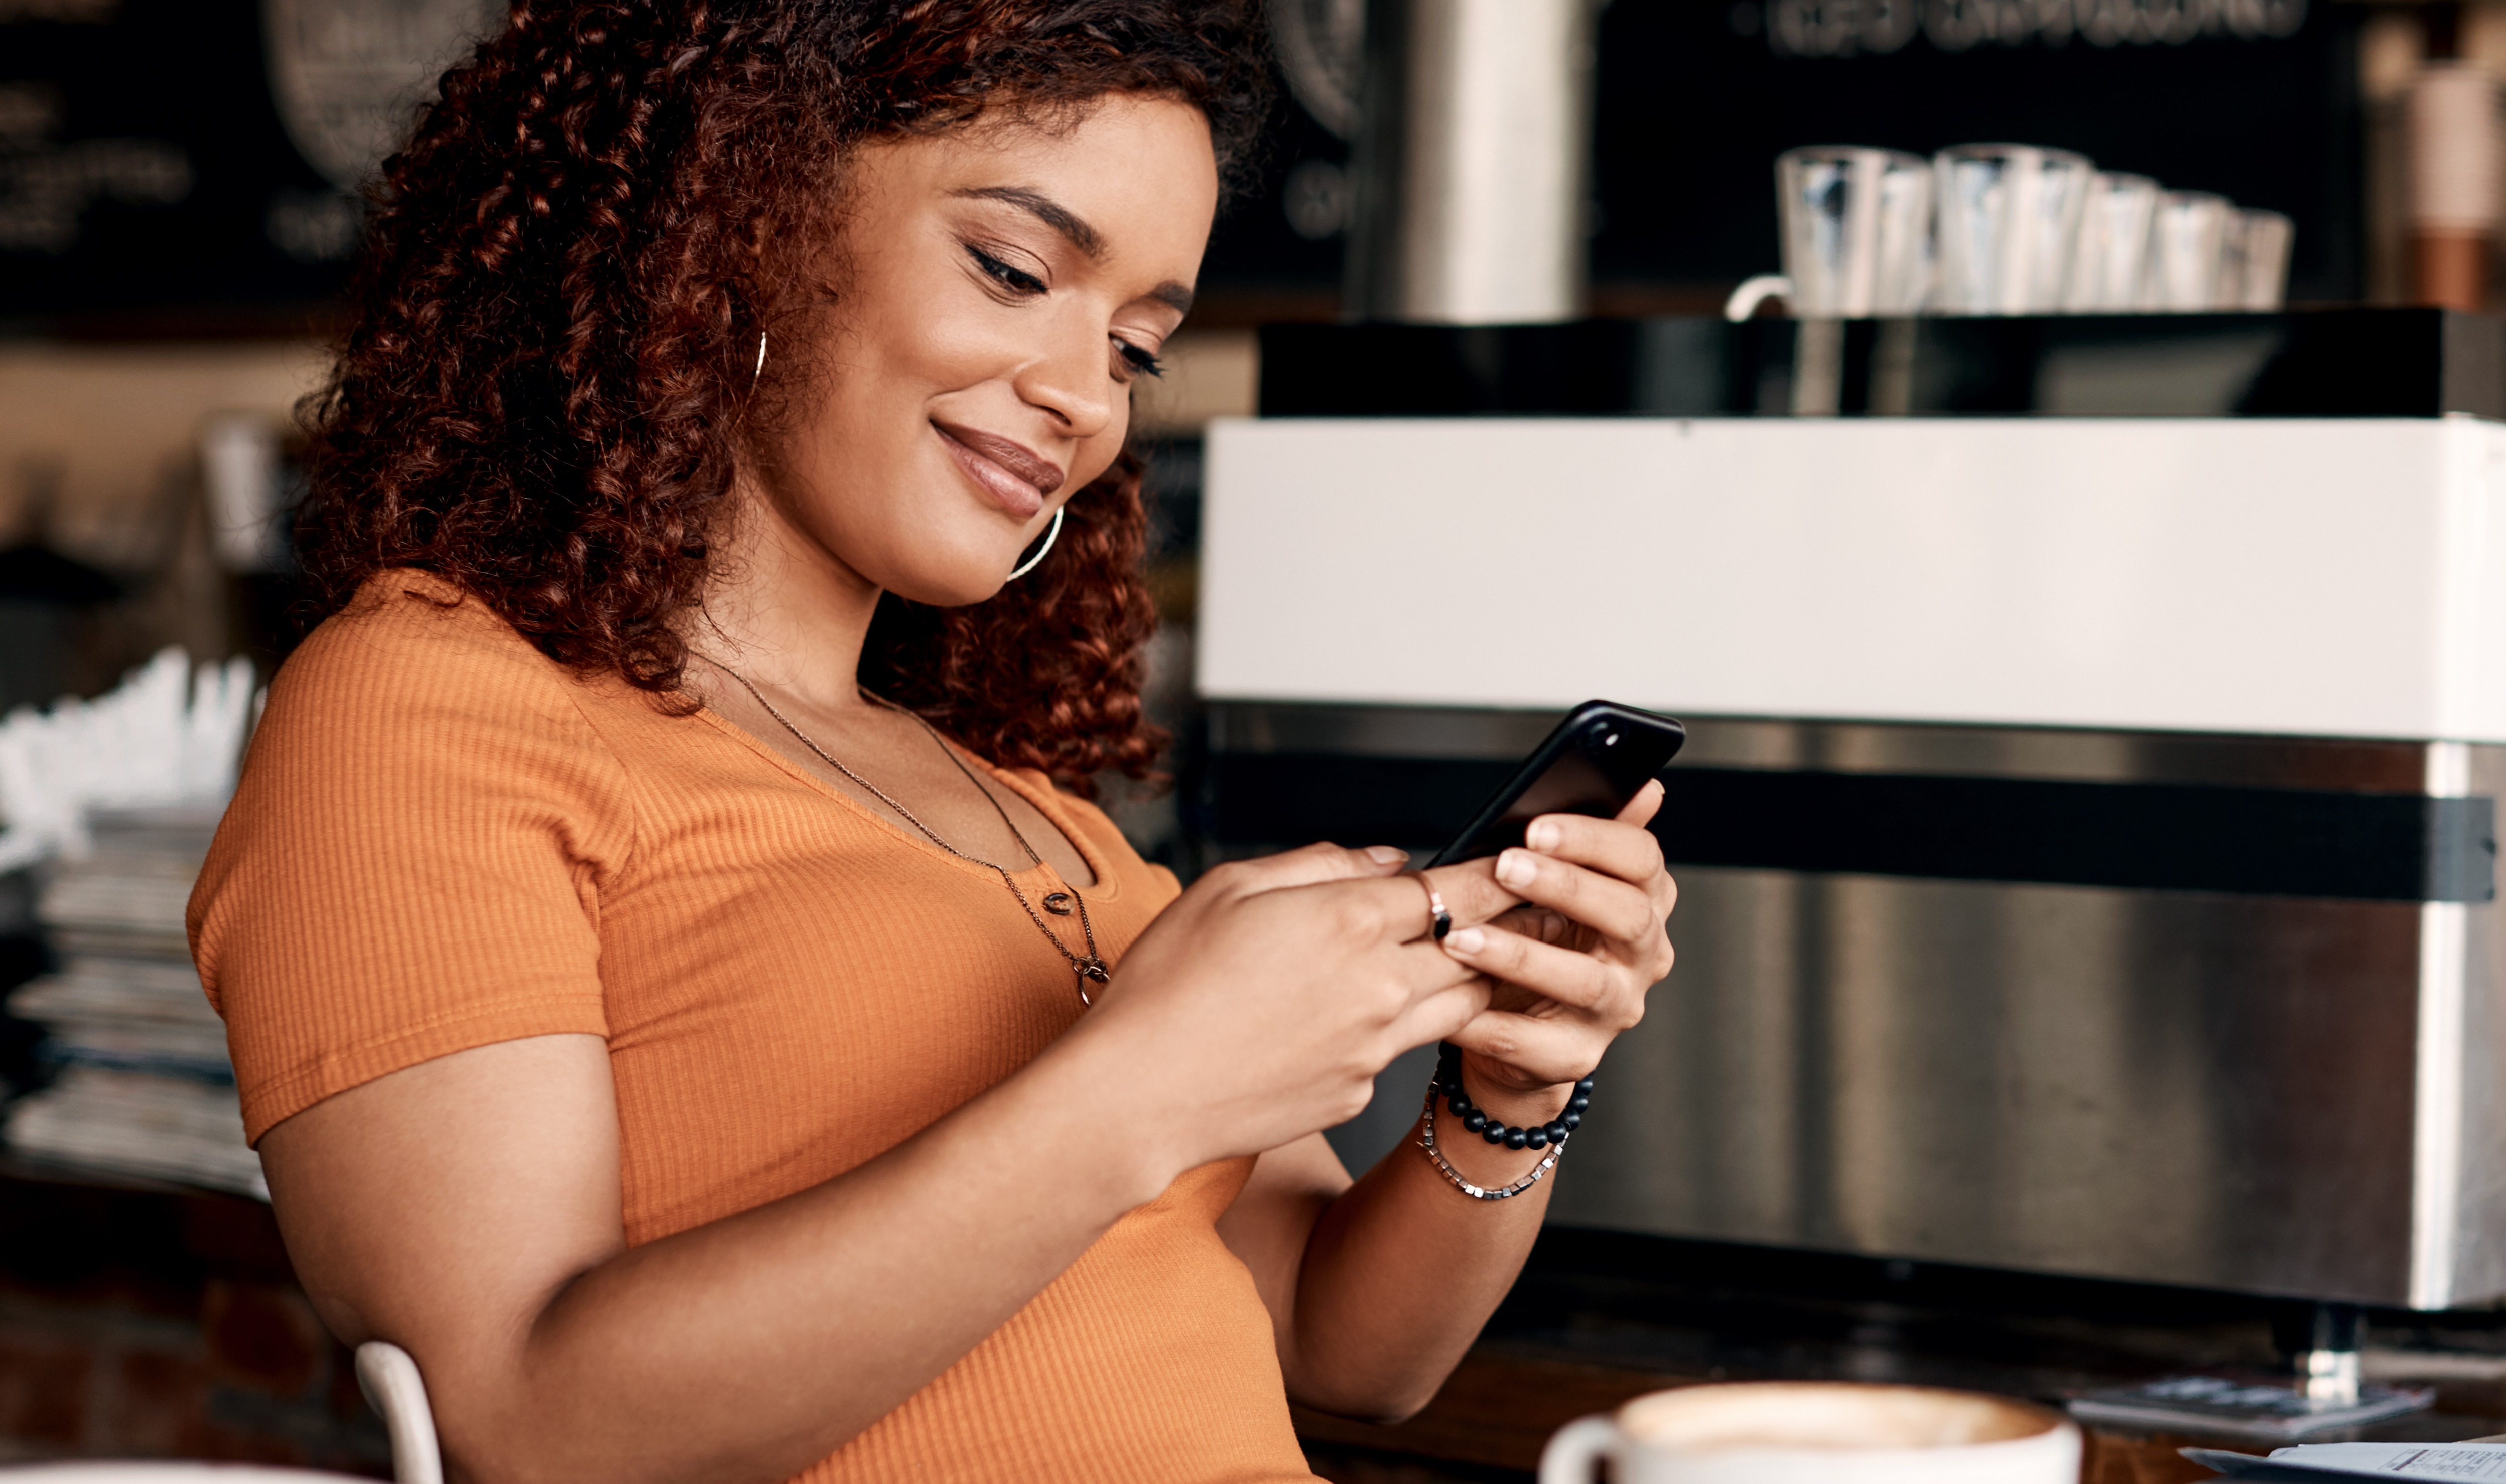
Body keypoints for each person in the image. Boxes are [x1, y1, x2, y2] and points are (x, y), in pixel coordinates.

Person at [184, 3, 1677, 1480]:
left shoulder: (1033, 809)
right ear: (735, 215)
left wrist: (1506, 1092)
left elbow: (1342, 1352)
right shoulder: (428, 701)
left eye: (1136, 348)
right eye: (1015, 271)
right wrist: (1144, 1085)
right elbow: (521, 1421)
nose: (1083, 399)